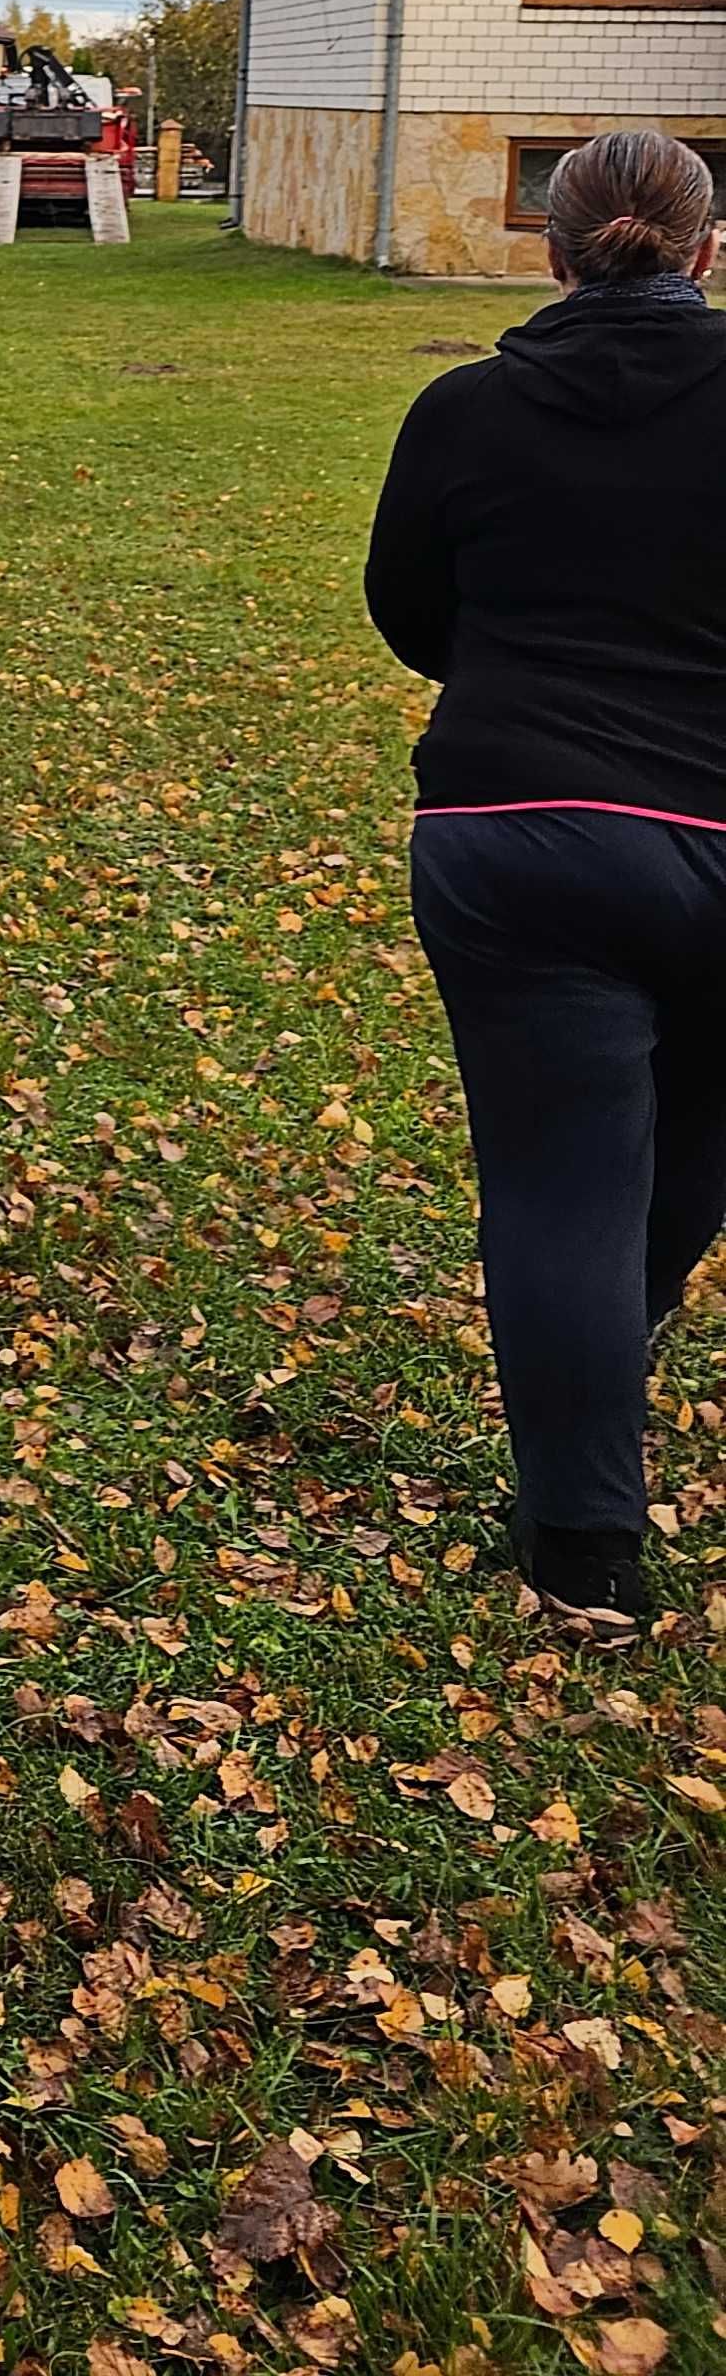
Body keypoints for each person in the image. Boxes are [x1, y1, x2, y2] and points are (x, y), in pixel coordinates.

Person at [365, 127, 726, 1633]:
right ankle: (590, 1364)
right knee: (684, 1166)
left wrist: (521, 672)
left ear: (553, 247)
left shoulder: (468, 409)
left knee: (565, 1185)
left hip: (519, 833)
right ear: (704, 250)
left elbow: (407, 610)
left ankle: (586, 1550)